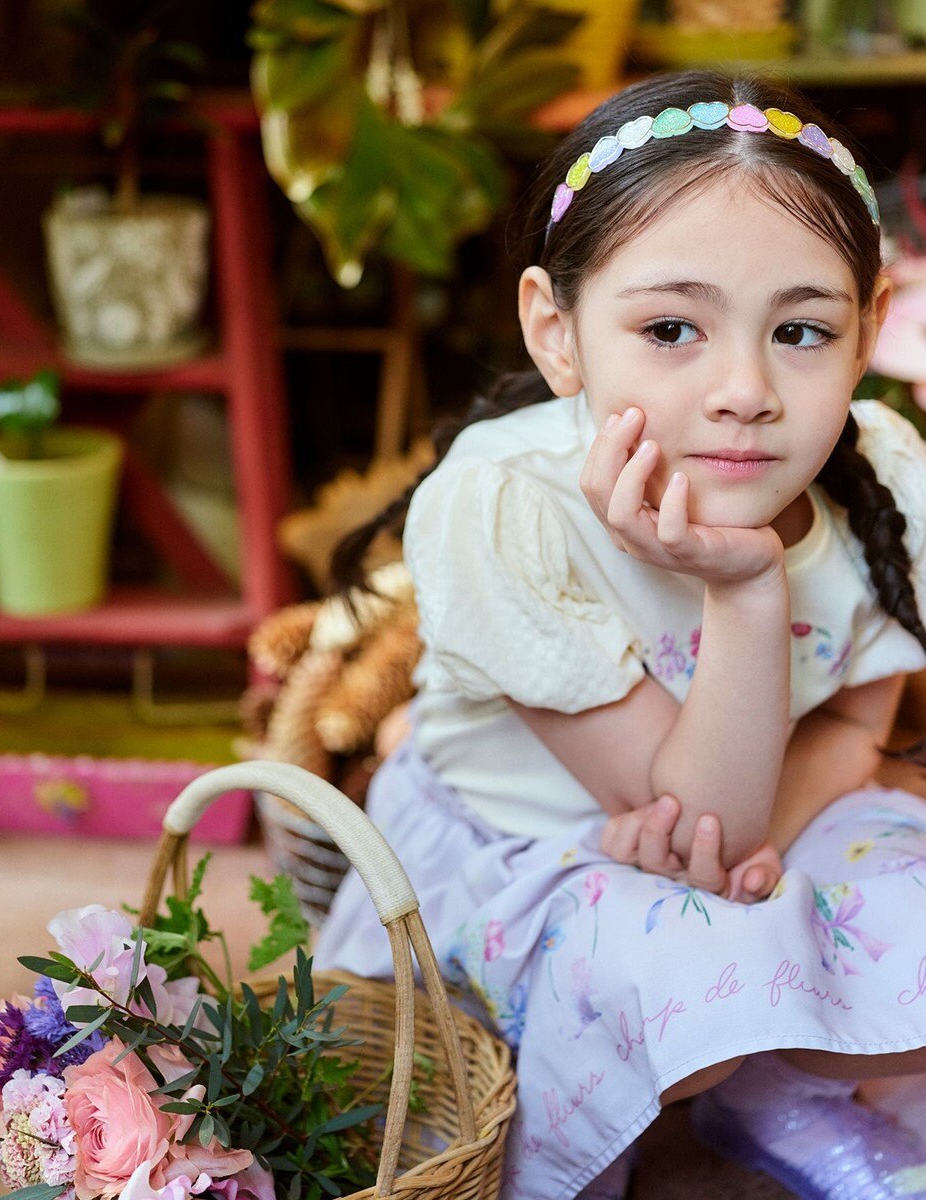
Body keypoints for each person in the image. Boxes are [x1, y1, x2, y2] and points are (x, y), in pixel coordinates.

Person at [314, 68, 926, 1200]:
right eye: (669, 328)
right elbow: (690, 811)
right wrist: (742, 592)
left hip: (755, 818)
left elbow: (849, 723)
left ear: (869, 329)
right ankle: (673, 1099)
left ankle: (777, 1094)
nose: (743, 390)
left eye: (800, 329)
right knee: (682, 950)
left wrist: (757, 848)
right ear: (557, 331)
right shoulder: (503, 503)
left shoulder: (889, 471)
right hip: (542, 855)